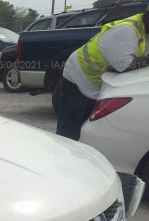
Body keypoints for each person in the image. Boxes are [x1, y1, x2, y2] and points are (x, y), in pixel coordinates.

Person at [56, 8, 149, 140]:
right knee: (70, 130)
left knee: (88, 128)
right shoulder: (127, 30)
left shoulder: (144, 31)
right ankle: (62, 156)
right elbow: (124, 65)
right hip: (80, 75)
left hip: (97, 81)